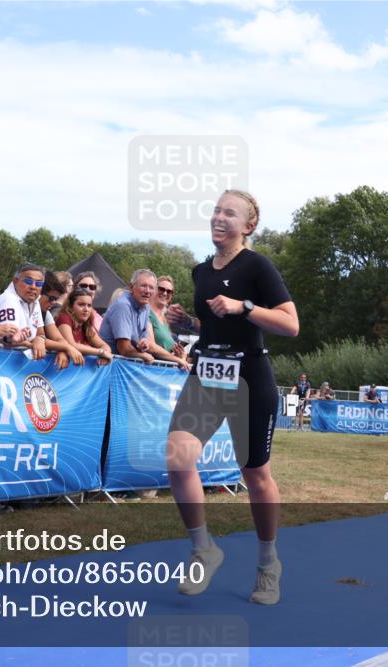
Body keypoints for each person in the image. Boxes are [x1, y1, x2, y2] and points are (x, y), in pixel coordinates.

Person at [165, 190, 298, 606]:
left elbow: (290, 324)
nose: (219, 218)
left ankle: (268, 564)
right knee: (178, 457)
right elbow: (215, 324)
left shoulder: (258, 266)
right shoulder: (201, 271)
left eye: (230, 213)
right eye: (216, 211)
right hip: (207, 375)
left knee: (255, 476)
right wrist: (188, 323)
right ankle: (204, 548)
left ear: (248, 226)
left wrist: (245, 306)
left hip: (248, 378)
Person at [0, 263, 84, 369]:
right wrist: (66, 347)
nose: (33, 287)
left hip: (10, 364)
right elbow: (11, 339)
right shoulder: (8, 300)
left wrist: (40, 340)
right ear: (15, 281)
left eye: (38, 284)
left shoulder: (34, 301)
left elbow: (41, 334)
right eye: (28, 281)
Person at [99, 269, 188, 369]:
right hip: (107, 367)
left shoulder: (145, 306)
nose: (147, 291)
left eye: (151, 287)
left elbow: (146, 343)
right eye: (143, 286)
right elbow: (124, 349)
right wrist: (143, 355)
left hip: (124, 367)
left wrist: (143, 345)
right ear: (131, 287)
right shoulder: (123, 306)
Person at [55, 288, 113, 365]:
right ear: (70, 306)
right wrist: (101, 352)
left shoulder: (85, 324)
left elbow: (104, 346)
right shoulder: (64, 318)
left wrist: (104, 355)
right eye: (81, 304)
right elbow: (71, 345)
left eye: (89, 305)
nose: (86, 309)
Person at [150, 275, 187, 362]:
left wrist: (179, 354)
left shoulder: (166, 319)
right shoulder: (146, 313)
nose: (165, 293)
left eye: (169, 291)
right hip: (149, 367)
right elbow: (151, 346)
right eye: (161, 289)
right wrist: (177, 359)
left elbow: (167, 350)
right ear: (154, 289)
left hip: (164, 368)